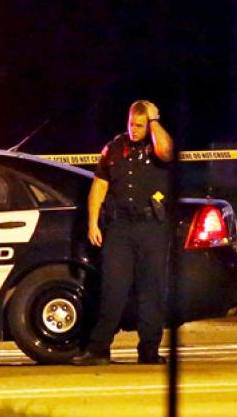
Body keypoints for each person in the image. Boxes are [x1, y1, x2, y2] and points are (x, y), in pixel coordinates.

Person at [71, 100, 174, 366]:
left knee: (151, 289)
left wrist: (154, 120)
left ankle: (149, 349)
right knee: (112, 288)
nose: (135, 130)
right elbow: (99, 187)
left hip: (151, 227)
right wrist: (93, 222)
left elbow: (166, 151)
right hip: (119, 228)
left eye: (140, 125)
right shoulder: (114, 148)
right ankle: (98, 349)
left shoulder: (156, 145)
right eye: (132, 124)